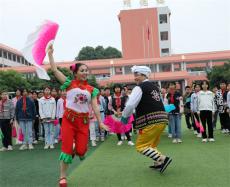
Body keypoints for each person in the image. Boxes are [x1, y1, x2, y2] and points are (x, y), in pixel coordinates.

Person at [47, 44, 109, 187]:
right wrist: (50, 54)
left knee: (81, 151)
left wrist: (100, 122)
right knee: (67, 150)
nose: (85, 73)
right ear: (76, 73)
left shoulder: (91, 89)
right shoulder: (69, 84)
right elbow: (55, 70)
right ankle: (62, 177)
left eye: (87, 70)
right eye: (82, 70)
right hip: (69, 121)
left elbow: (94, 106)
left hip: (83, 122)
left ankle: (73, 150)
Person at [121, 65, 172, 173]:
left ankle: (162, 159)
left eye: (136, 75)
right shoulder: (155, 87)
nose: (134, 78)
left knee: (141, 146)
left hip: (151, 121)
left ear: (144, 75)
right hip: (162, 120)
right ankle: (158, 163)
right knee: (151, 145)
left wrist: (124, 118)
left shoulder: (139, 87)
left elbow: (130, 105)